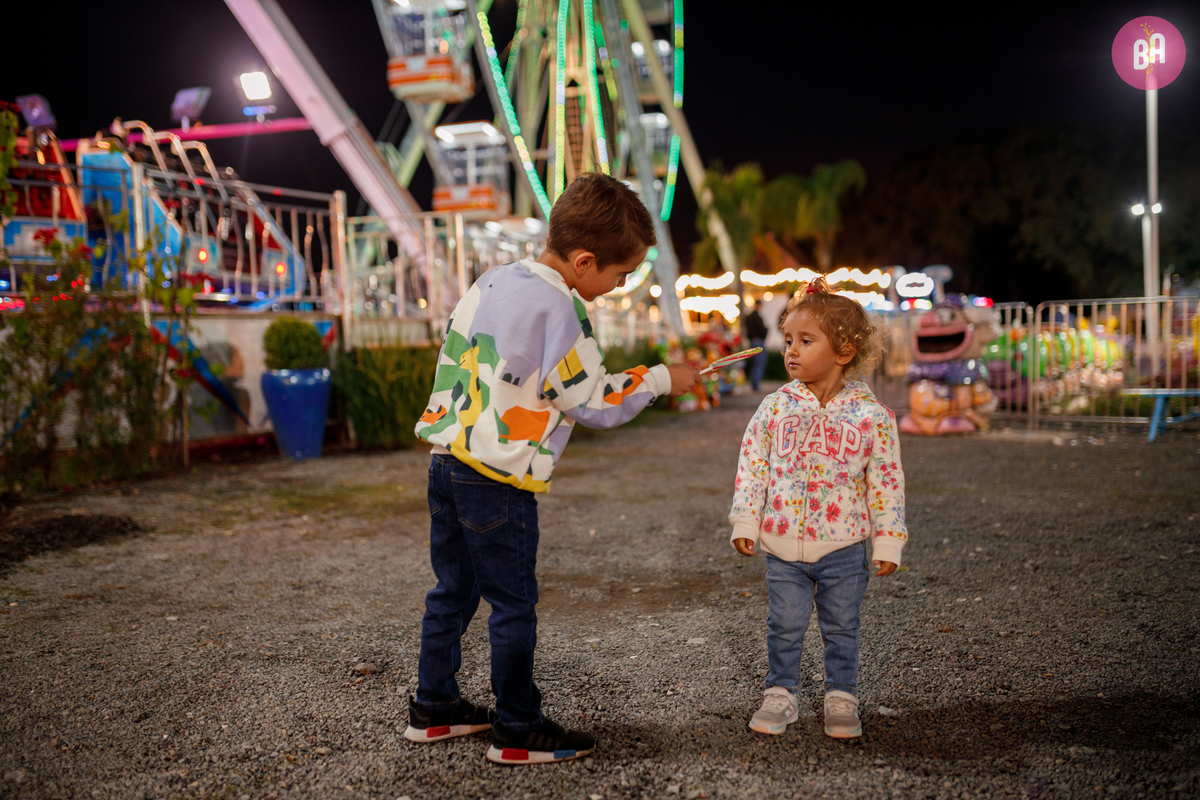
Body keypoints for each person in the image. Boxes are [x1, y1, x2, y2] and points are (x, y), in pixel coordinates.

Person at [406, 173, 700, 765]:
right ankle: (517, 726)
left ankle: (433, 707)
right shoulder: (562, 309)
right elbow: (592, 400)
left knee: (452, 592)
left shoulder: (492, 280)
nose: (615, 289)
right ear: (585, 260)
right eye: (617, 277)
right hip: (499, 479)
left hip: (446, 462)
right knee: (513, 604)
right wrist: (662, 379)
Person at [728, 277, 906, 739]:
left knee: (842, 625)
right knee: (784, 624)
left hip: (844, 546)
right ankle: (781, 693)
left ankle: (841, 697)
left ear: (844, 351)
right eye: (788, 340)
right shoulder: (774, 408)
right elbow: (753, 465)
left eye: (806, 341)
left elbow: (885, 481)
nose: (791, 351)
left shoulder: (871, 417)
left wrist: (888, 539)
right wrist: (746, 518)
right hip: (782, 544)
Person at [743, 299, 769, 391]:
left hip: (752, 342)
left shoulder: (749, 317)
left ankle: (754, 385)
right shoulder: (757, 317)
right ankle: (756, 386)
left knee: (754, 364)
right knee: (759, 363)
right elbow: (762, 330)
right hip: (758, 342)